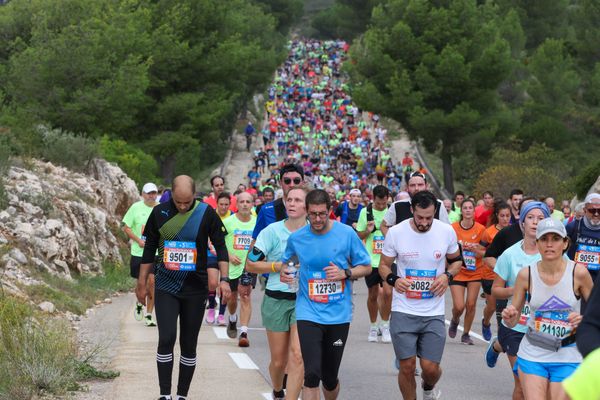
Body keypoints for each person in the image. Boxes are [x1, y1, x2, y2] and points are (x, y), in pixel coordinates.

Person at [136, 175, 231, 400]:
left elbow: (221, 245)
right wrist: (141, 283)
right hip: (166, 285)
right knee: (166, 338)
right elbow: (149, 248)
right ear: (172, 195)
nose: (182, 206)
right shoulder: (159, 213)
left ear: (194, 195)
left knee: (189, 343)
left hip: (195, 287)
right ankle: (165, 394)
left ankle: (182, 395)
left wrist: (224, 279)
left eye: (186, 203)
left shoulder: (206, 213)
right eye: (178, 202)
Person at [280, 189, 372, 400]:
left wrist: (345, 273)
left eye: (322, 213)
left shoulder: (346, 233)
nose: (318, 219)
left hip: (338, 314)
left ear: (330, 211)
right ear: (306, 212)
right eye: (313, 214)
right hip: (308, 311)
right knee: (311, 374)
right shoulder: (297, 238)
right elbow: (289, 262)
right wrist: (286, 272)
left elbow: (366, 266)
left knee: (329, 378)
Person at [378, 190, 463, 400]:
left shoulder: (446, 231)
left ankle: (428, 386)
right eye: (420, 217)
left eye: (429, 217)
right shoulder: (396, 233)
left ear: (435, 212)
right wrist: (395, 280)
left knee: (430, 368)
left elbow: (457, 261)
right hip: (403, 309)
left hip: (433, 312)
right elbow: (383, 266)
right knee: (407, 367)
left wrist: (447, 276)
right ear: (411, 211)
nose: (425, 222)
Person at [502, 218, 593, 399]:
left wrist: (584, 320)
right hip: (533, 352)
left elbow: (596, 315)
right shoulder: (526, 275)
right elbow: (513, 319)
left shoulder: (579, 273)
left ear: (565, 243)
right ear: (537, 243)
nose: (549, 244)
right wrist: (509, 316)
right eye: (544, 239)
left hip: (569, 355)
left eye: (555, 239)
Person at [246, 186, 309, 400]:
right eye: (288, 200)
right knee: (279, 362)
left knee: (298, 356)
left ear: (307, 206)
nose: (291, 203)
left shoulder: (316, 232)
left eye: (297, 200)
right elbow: (250, 264)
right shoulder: (271, 231)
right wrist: (276, 267)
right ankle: (276, 389)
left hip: (305, 302)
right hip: (276, 299)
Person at [489, 201, 551, 400]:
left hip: (543, 328)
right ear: (522, 223)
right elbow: (495, 290)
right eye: (530, 218)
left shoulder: (555, 254)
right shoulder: (509, 255)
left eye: (541, 218)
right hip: (516, 326)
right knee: (523, 383)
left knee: (544, 387)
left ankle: (497, 345)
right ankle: (501, 342)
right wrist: (515, 290)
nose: (535, 222)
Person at [356, 185, 392, 343]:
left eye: (384, 203)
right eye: (378, 203)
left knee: (388, 293)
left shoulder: (392, 211)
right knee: (373, 294)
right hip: (372, 260)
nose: (381, 206)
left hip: (389, 259)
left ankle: (385, 325)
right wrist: (368, 231)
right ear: (373, 199)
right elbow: (359, 234)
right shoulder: (366, 212)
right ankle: (373, 325)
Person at [449, 199, 487, 345]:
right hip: (458, 270)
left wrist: (475, 250)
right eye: (465, 208)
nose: (468, 210)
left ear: (473, 211)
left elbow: (484, 252)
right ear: (461, 211)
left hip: (475, 271)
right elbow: (447, 249)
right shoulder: (453, 228)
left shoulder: (481, 229)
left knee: (471, 304)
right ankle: (455, 319)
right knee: (459, 306)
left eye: (471, 207)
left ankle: (465, 334)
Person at [222, 192, 257, 347]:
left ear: (252, 205)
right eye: (241, 201)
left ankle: (244, 332)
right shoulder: (228, 222)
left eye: (248, 202)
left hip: (249, 266)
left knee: (245, 296)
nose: (244, 204)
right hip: (231, 267)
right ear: (236, 205)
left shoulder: (257, 223)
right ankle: (232, 318)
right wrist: (229, 255)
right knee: (232, 297)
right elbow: (217, 242)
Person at [122, 182, 159, 326]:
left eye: (154, 193)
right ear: (143, 194)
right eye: (149, 193)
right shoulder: (135, 208)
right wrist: (138, 240)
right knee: (141, 284)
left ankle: (149, 315)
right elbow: (126, 228)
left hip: (155, 252)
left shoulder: (162, 208)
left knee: (152, 283)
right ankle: (139, 302)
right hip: (139, 252)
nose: (151, 196)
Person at [479, 201, 512, 340]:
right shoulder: (489, 232)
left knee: (502, 307)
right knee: (492, 307)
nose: (505, 219)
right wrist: (491, 258)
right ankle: (485, 322)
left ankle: (502, 337)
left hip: (507, 276)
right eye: (502, 216)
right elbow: (481, 250)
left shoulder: (513, 231)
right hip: (489, 275)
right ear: (497, 216)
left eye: (508, 216)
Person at [380, 172, 449, 236]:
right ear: (407, 188)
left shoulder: (438, 204)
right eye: (412, 185)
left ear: (426, 186)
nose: (416, 188)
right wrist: (393, 243)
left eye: (420, 185)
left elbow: (447, 229)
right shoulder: (397, 206)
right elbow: (383, 226)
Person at [566, 193, 600, 309]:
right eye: (592, 210)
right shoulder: (573, 227)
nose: (596, 214)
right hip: (574, 281)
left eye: (599, 211)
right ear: (585, 210)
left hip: (597, 282)